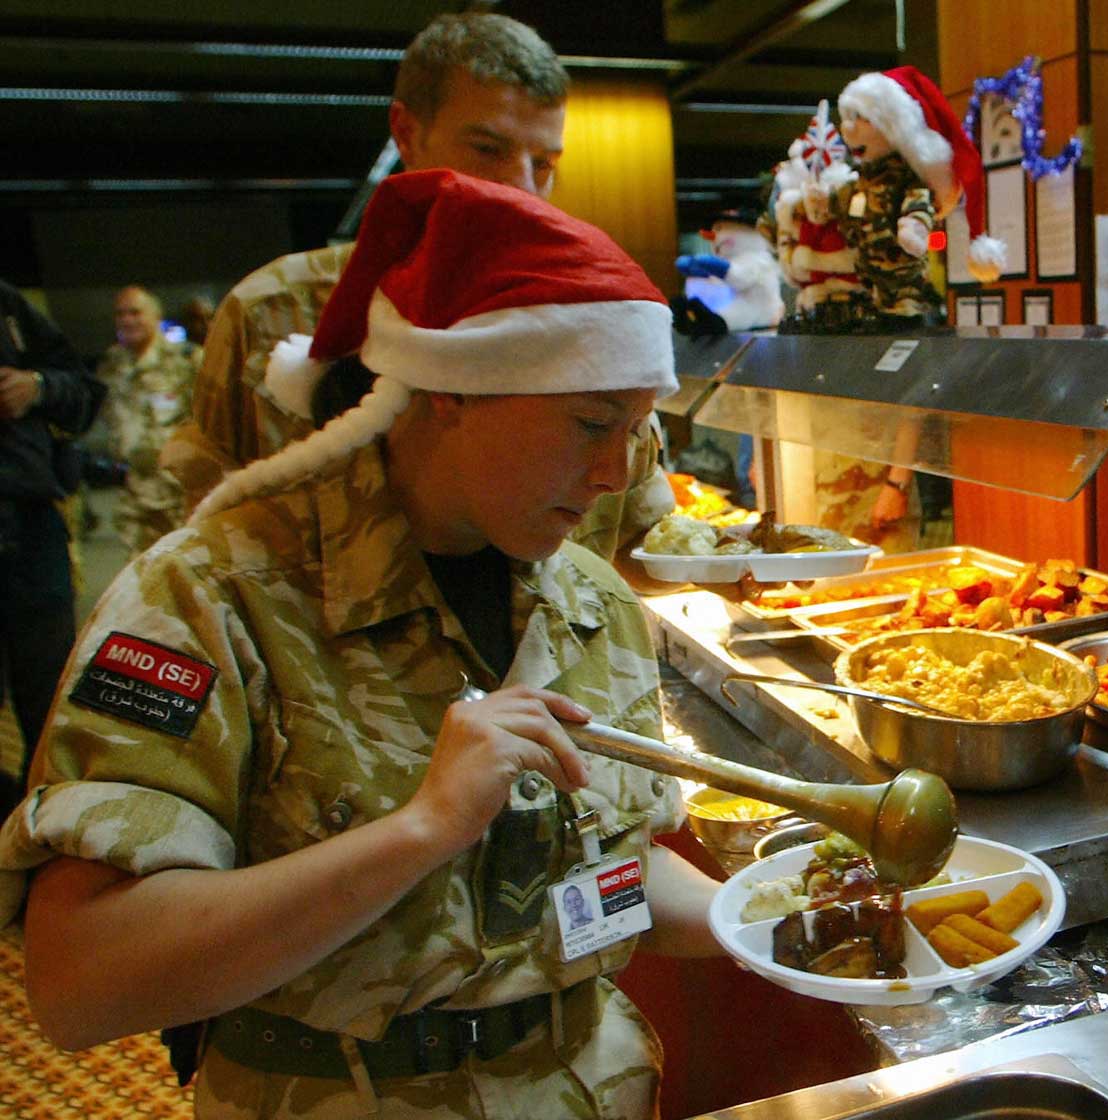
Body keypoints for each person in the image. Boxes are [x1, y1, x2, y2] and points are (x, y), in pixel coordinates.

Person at [0, 170, 724, 1120]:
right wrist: (420, 830)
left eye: (640, 431)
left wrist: (779, 920)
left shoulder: (584, 597)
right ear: (448, 391)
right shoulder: (213, 595)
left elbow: (600, 874)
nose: (619, 473)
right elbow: (79, 981)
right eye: (587, 424)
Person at [156, 10, 674, 564]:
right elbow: (206, 523)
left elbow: (634, 538)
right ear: (407, 131)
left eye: (543, 163)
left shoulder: (585, 313)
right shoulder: (275, 310)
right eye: (488, 149)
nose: (522, 187)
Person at [0, 282, 105, 814]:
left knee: (52, 693)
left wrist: (36, 386)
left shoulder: (7, 306)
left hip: (29, 526)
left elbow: (83, 391)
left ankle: (41, 823)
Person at [84, 285, 203, 554]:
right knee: (141, 578)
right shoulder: (111, 365)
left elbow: (211, 419)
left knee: (189, 568)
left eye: (135, 313)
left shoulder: (186, 360)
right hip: (135, 493)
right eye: (120, 314)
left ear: (156, 317)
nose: (127, 320)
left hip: (181, 493)